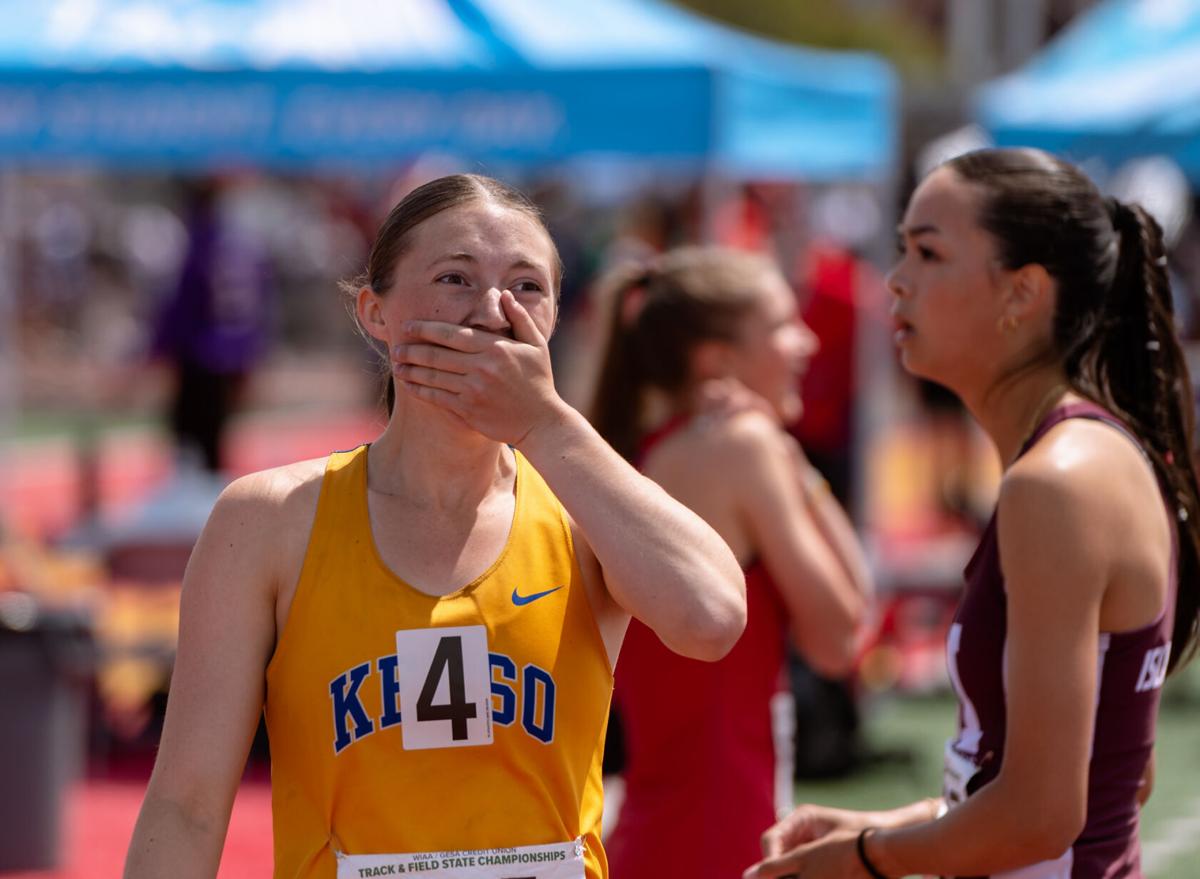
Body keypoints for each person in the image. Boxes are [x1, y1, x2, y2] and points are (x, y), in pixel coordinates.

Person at [123, 174, 747, 879]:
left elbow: (712, 619)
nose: (493, 311)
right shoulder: (268, 521)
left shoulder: (585, 507)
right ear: (375, 312)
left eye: (527, 286)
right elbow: (187, 804)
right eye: (455, 278)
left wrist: (545, 423)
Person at [745, 147, 1200, 879]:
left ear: (1022, 292)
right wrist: (890, 824)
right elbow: (1105, 771)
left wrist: (868, 857)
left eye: (928, 253)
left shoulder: (1057, 482)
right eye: (903, 250)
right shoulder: (1072, 458)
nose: (895, 280)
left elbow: (1045, 814)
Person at [588, 246, 872, 879]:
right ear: (717, 360)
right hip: (723, 831)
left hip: (670, 827)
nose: (806, 342)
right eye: (782, 325)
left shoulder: (655, 449)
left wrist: (790, 461)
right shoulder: (740, 446)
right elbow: (841, 637)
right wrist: (792, 463)